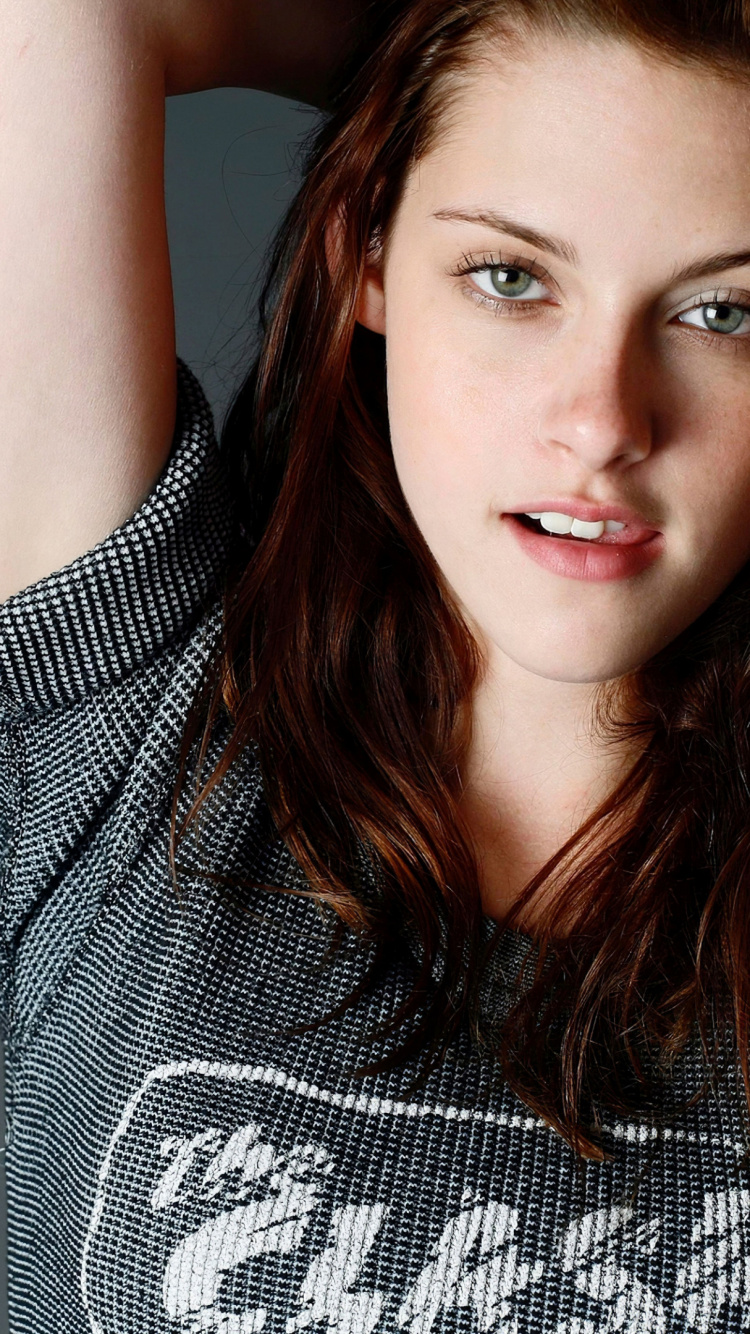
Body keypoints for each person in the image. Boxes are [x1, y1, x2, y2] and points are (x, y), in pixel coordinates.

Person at [2, 0, 750, 1327]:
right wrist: (456, 24)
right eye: (510, 276)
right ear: (369, 250)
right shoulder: (137, 702)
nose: (602, 423)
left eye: (724, 312)